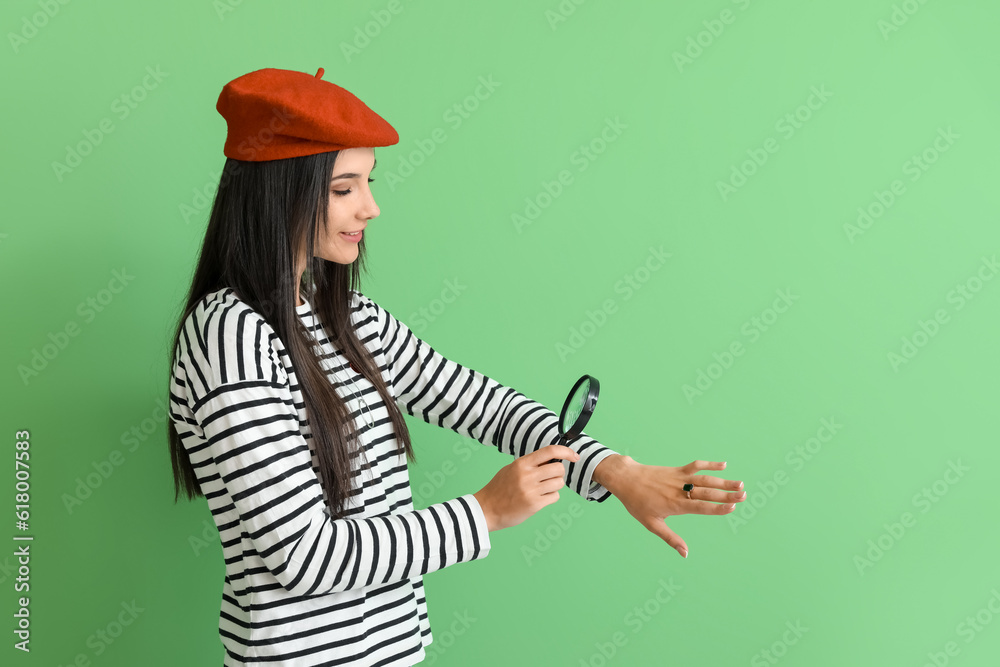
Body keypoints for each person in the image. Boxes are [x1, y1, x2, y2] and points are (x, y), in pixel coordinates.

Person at [166, 66, 748, 667]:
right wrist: (487, 512)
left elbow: (484, 406)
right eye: (345, 188)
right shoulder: (231, 337)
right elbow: (306, 555)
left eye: (369, 182)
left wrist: (616, 471)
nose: (371, 207)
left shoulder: (347, 318)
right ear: (277, 191)